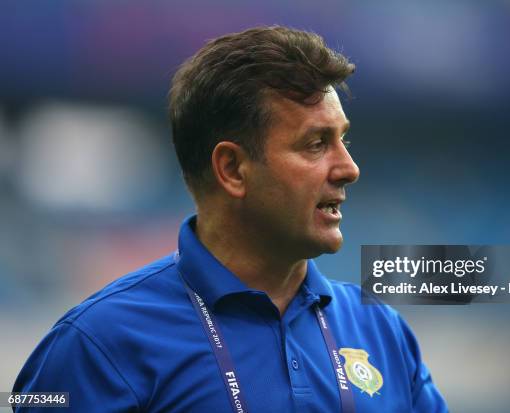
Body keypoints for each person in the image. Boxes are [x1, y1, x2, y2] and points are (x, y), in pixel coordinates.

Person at [13, 26, 448, 412]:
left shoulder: (382, 332)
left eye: (343, 140)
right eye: (316, 144)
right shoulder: (98, 344)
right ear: (233, 169)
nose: (349, 168)